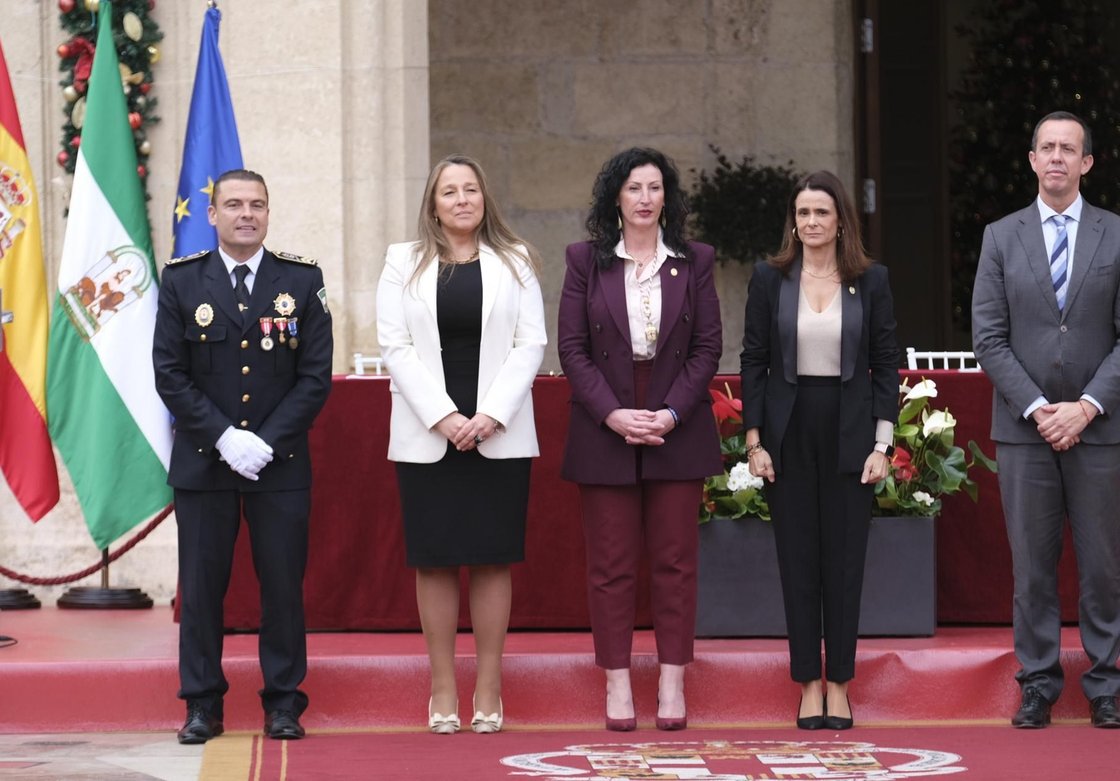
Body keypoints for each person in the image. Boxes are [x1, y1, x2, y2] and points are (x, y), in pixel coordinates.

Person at [971, 111, 1120, 731]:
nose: (1056, 158)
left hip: (1100, 428)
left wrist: (1086, 406)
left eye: (1067, 149)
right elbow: (988, 338)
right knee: (1032, 568)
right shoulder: (1000, 236)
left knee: (1102, 566)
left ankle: (1104, 686)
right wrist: (1040, 409)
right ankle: (1038, 685)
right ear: (1031, 159)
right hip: (1024, 430)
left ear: (1087, 163)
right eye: (1046, 147)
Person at [152, 169, 334, 744]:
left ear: (268, 213)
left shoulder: (302, 281)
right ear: (212, 215)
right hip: (205, 465)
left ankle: (283, 703)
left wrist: (265, 441)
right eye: (233, 205)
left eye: (257, 204)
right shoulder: (182, 282)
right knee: (202, 590)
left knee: (282, 587)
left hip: (278, 467)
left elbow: (314, 377)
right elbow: (169, 373)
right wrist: (226, 438)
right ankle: (202, 704)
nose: (246, 214)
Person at [376, 155, 546, 735]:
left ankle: (490, 685)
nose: (461, 199)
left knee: (494, 557)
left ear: (484, 198)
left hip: (499, 432)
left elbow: (531, 344)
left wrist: (490, 415)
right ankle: (443, 684)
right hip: (430, 434)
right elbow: (394, 347)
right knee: (436, 559)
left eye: (470, 189)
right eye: (449, 191)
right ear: (434, 203)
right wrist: (446, 417)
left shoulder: (516, 261)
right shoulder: (403, 261)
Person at [556, 147, 723, 732]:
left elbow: (707, 348)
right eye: (634, 188)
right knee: (611, 564)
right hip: (607, 421)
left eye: (655, 188)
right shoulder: (585, 260)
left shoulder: (694, 259)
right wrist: (612, 414)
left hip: (676, 418)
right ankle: (619, 683)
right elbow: (572, 350)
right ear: (616, 198)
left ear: (666, 198)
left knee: (676, 562)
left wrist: (673, 412)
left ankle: (673, 682)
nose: (646, 198)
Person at [739, 170, 899, 731]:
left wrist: (883, 443)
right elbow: (753, 362)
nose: (810, 223)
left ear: (840, 222)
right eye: (802, 213)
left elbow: (885, 366)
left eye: (821, 213)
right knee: (798, 560)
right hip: (787, 430)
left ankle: (840, 684)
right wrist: (754, 441)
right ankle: (808, 682)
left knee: (845, 562)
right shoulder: (769, 278)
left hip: (851, 430)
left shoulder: (870, 281)